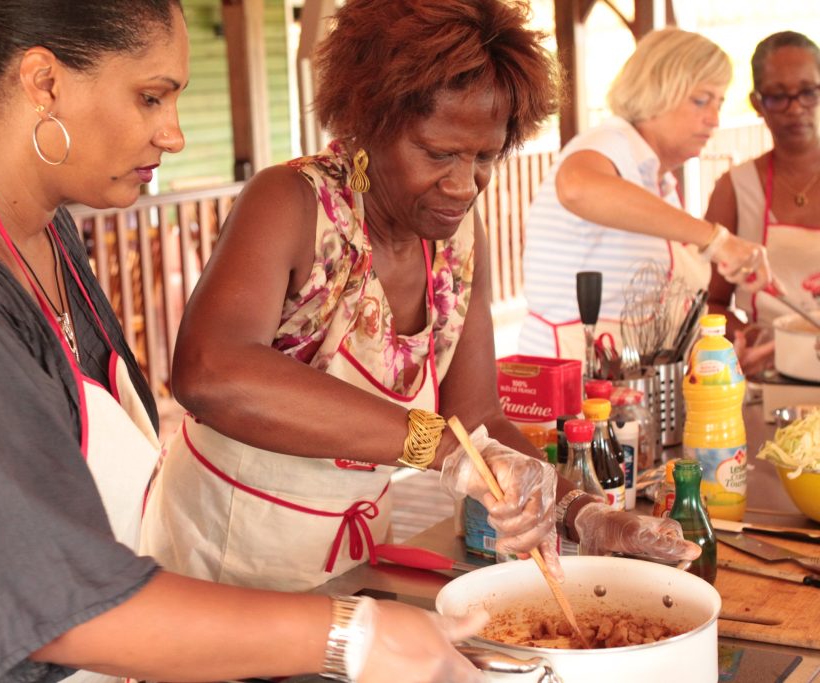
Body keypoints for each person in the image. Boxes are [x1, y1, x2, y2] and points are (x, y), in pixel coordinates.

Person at [0, 2, 493, 682]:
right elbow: (47, 605)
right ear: (44, 82)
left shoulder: (41, 231)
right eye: (151, 98)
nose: (174, 134)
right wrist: (350, 634)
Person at [140, 0, 700, 593]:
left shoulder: (458, 240)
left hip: (353, 558)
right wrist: (435, 446)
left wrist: (584, 513)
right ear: (367, 123)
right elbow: (211, 372)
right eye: (438, 154)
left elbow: (477, 418)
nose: (463, 185)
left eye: (484, 157)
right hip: (221, 551)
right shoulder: (292, 203)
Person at [519, 28, 775, 362]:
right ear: (656, 92)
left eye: (719, 103)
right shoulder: (609, 142)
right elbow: (577, 188)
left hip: (632, 381)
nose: (714, 119)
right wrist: (716, 240)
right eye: (701, 100)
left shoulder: (660, 182)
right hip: (570, 379)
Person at [705, 31, 820, 376]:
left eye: (808, 92)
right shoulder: (736, 187)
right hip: (769, 376)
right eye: (778, 97)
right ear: (757, 103)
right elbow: (710, 302)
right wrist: (751, 339)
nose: (796, 107)